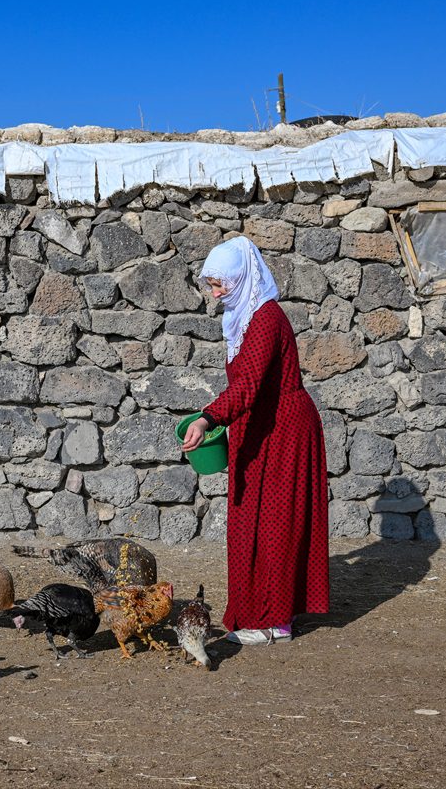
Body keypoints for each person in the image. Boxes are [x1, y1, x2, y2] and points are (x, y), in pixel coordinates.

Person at [181, 236, 329, 645]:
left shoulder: (265, 318)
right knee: (252, 521)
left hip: (284, 430)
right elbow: (245, 388)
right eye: (211, 285)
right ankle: (254, 611)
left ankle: (276, 621)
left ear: (243, 277)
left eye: (220, 285)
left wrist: (208, 417)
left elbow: (248, 385)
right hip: (257, 428)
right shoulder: (242, 319)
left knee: (276, 525)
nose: (214, 294)